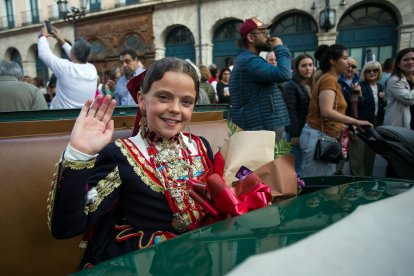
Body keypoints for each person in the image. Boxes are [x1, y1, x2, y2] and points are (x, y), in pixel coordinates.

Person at [47, 57, 215, 269]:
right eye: (164, 97)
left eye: (186, 102)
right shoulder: (122, 155)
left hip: (199, 262)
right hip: (144, 263)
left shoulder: (201, 147)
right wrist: (80, 154)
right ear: (142, 100)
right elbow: (67, 226)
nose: (175, 108)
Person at [299, 44, 373, 177]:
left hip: (325, 136)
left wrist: (343, 125)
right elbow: (326, 111)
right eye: (344, 58)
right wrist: (356, 122)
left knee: (323, 181)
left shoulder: (331, 80)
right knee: (314, 183)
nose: (348, 62)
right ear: (333, 61)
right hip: (318, 136)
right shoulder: (329, 80)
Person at [229, 17, 291, 139]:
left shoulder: (250, 59)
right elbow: (285, 74)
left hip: (261, 125)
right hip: (261, 128)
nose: (268, 37)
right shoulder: (250, 61)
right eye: (263, 33)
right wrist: (279, 47)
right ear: (251, 37)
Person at [38, 24, 97, 109]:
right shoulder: (92, 69)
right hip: (85, 117)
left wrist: (42, 36)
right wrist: (60, 38)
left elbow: (44, 53)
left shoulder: (65, 68)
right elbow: (75, 54)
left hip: (65, 119)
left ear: (73, 54)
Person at [348, 61, 385, 176]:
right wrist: (353, 127)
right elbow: (353, 108)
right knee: (357, 159)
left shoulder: (380, 87)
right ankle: (356, 186)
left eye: (375, 70)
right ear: (364, 72)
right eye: (369, 70)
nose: (372, 73)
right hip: (360, 126)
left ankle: (367, 185)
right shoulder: (359, 86)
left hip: (374, 125)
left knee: (370, 158)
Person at [283, 54, 314, 177]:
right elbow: (290, 111)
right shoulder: (291, 85)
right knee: (296, 168)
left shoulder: (312, 84)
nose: (308, 68)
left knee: (305, 166)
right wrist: (295, 135)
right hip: (296, 132)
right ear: (297, 68)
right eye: (304, 66)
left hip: (309, 131)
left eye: (310, 65)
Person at [383, 47, 414, 128]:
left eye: (413, 59)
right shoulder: (394, 80)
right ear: (398, 64)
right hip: (399, 127)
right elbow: (409, 99)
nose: (410, 62)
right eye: (406, 60)